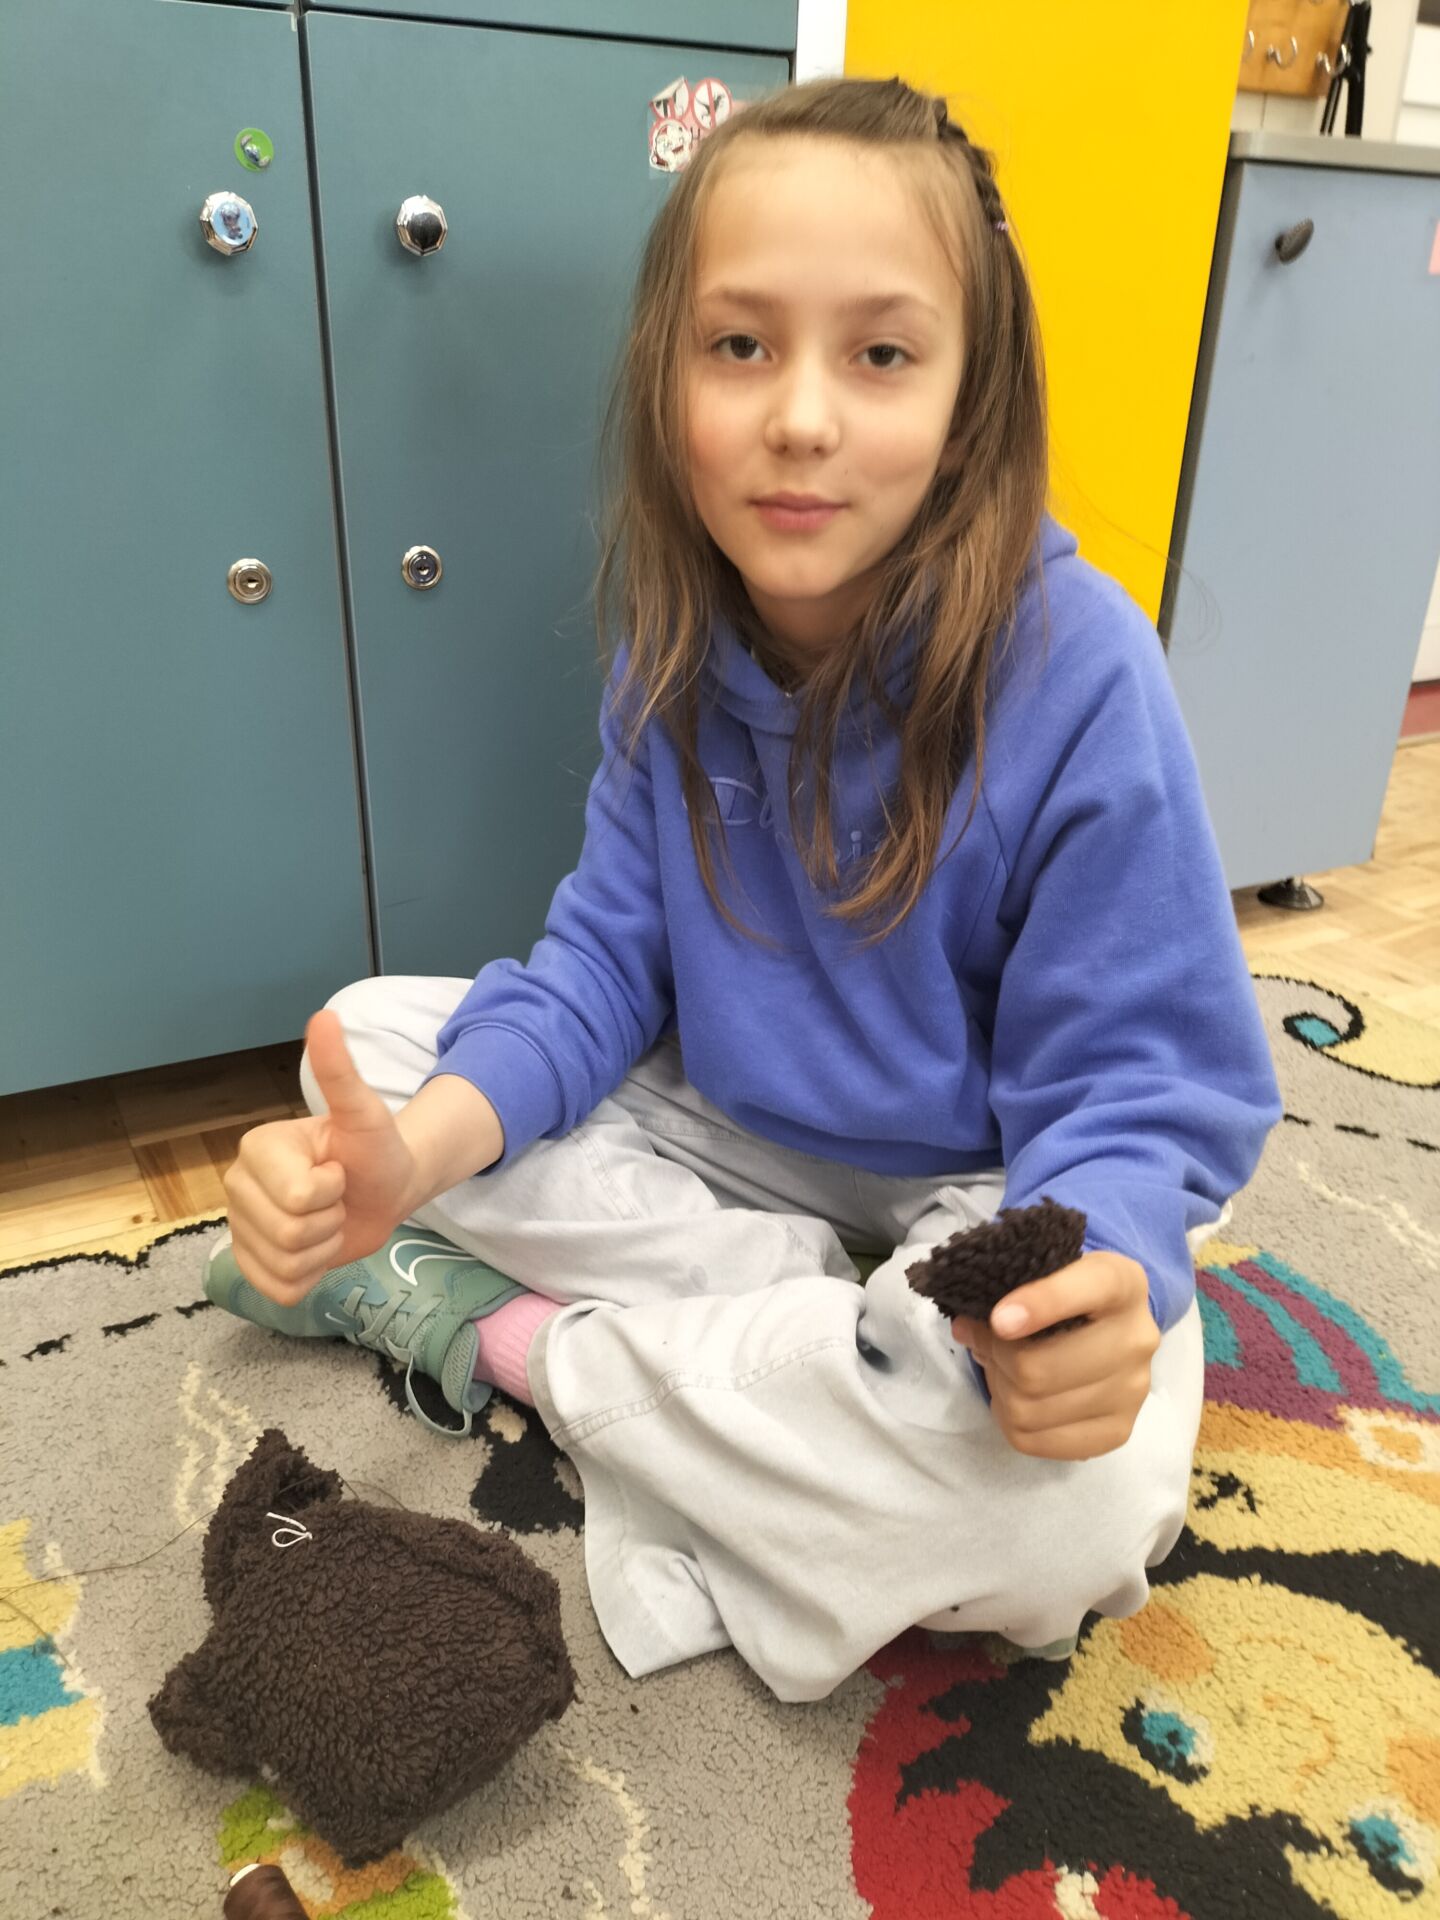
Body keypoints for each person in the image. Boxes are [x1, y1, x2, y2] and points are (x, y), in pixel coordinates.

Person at [205, 74, 1282, 1703]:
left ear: (972, 399)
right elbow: (598, 970)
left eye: (883, 355)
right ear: (668, 381)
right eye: (740, 346)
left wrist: (1090, 1287)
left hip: (988, 1184)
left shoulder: (1085, 668)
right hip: (729, 1137)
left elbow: (1139, 1085)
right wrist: (404, 1160)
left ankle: (515, 1345)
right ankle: (812, 1335)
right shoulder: (674, 643)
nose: (801, 419)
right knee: (367, 1046)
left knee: (1077, 1519)